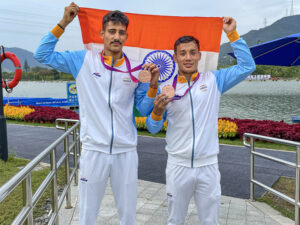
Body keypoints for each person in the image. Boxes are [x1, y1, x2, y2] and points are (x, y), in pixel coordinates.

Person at [34, 3, 159, 225]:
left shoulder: (136, 69)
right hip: (93, 151)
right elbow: (42, 54)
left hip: (126, 152)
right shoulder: (82, 60)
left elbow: (145, 109)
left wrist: (152, 87)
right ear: (102, 33)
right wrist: (64, 22)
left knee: (128, 216)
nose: (116, 36)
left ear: (126, 36)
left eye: (121, 32)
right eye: (112, 31)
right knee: (87, 216)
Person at [146, 17, 256, 225]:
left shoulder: (214, 80)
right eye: (183, 53)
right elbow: (152, 129)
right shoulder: (165, 89)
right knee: (175, 220)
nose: (188, 57)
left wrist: (232, 33)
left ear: (199, 55)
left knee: (210, 221)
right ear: (175, 57)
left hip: (208, 166)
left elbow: (247, 67)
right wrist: (157, 112)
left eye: (192, 52)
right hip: (177, 165)